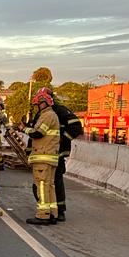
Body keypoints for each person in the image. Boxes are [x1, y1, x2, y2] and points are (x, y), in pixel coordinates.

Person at [19, 87, 60, 225]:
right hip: (50, 157)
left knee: (41, 185)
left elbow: (38, 133)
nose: (36, 107)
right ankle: (53, 213)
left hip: (43, 156)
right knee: (49, 186)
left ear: (44, 103)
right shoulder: (51, 115)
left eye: (37, 105)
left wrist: (24, 129)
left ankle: (43, 215)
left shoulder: (47, 115)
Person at [49, 93, 83, 222]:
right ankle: (47, 209)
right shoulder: (42, 113)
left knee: (56, 181)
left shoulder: (60, 111)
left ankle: (60, 210)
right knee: (44, 183)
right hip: (45, 153)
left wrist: (62, 140)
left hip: (57, 153)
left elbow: (76, 127)